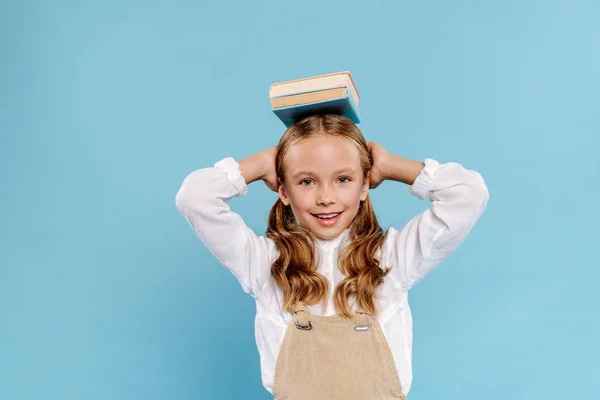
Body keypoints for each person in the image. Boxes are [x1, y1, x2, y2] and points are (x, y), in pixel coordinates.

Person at [175, 114, 489, 399]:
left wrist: (391, 165)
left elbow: (468, 193)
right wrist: (259, 164)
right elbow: (195, 197)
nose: (326, 198)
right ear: (284, 191)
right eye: (306, 181)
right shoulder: (264, 264)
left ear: (365, 184)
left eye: (343, 179)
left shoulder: (392, 259)